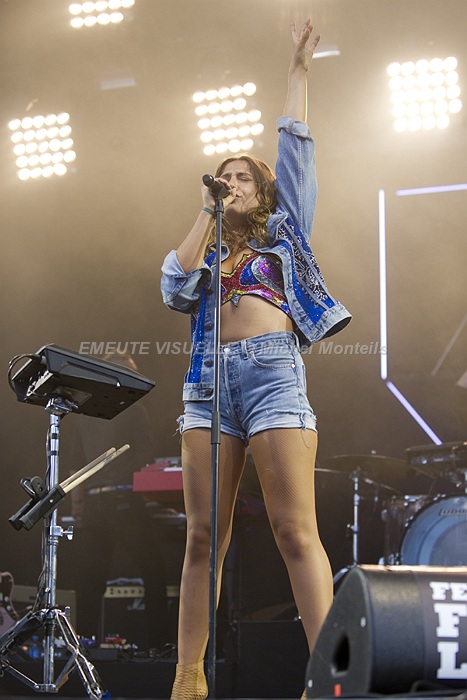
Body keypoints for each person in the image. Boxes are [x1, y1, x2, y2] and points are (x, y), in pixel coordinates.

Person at [161, 17, 351, 700]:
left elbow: (294, 145)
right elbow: (172, 286)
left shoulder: (284, 230)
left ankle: (329, 678)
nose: (232, 182)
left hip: (272, 377)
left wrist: (298, 69)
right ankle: (188, 679)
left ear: (263, 189)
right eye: (224, 176)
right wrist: (205, 211)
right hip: (206, 387)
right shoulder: (209, 246)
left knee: (293, 530)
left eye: (243, 177)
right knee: (202, 538)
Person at [66, 352, 171, 652]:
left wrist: (78, 510)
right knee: (153, 572)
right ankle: (158, 645)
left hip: (94, 505)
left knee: (91, 580)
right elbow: (146, 460)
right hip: (125, 501)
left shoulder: (86, 414)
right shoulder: (134, 411)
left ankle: (83, 646)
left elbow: (75, 469)